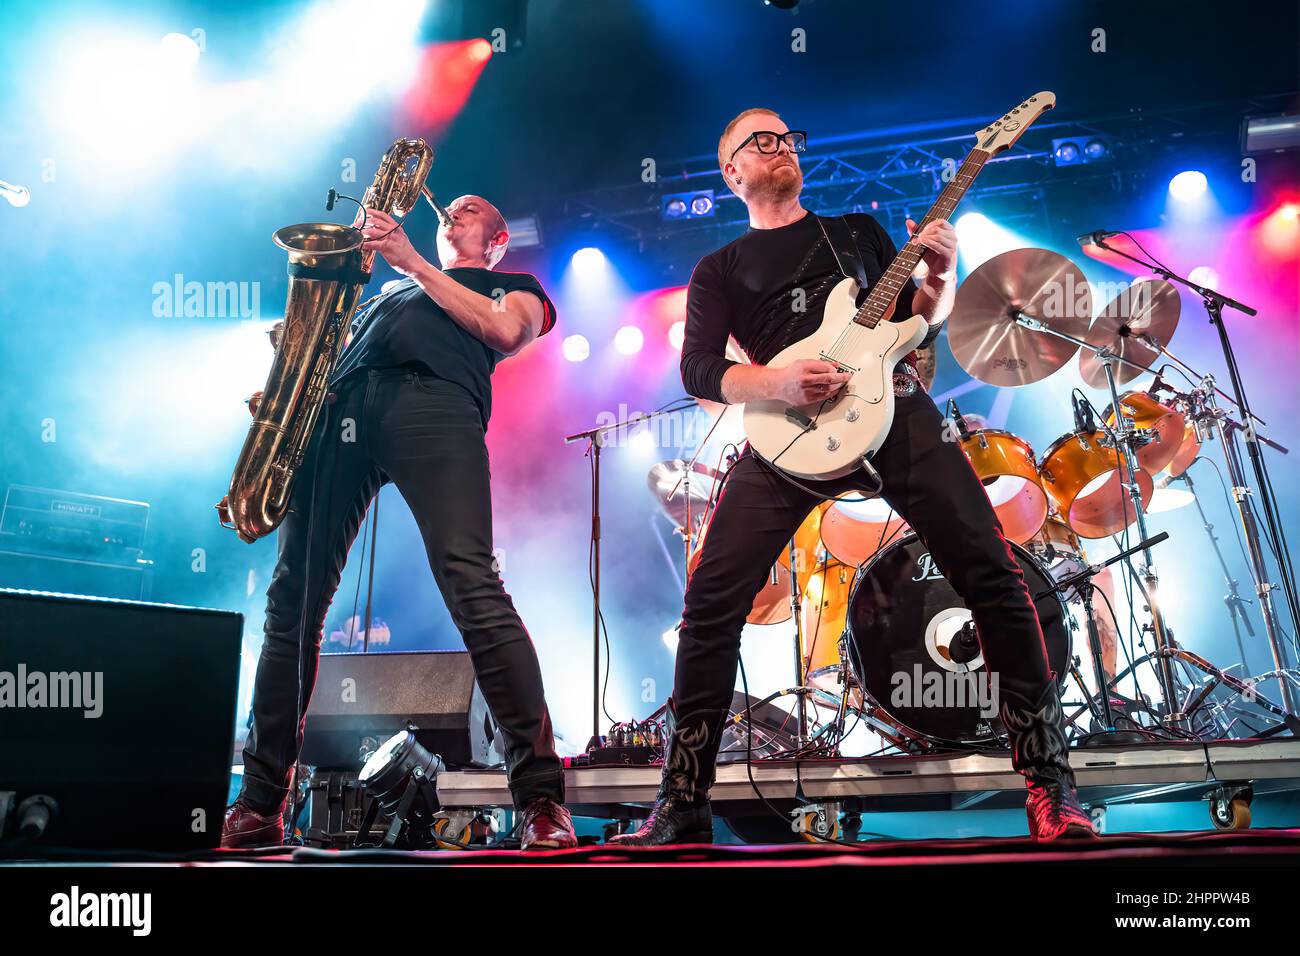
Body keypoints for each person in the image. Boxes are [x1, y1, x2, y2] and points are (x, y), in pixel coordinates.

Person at [610, 109, 1096, 845]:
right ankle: (683, 805)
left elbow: (918, 322)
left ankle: (1049, 788)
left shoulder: (859, 232)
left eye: (789, 138)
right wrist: (774, 381)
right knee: (709, 604)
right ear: (732, 171)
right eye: (760, 141)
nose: (782, 147)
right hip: (789, 435)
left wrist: (937, 271)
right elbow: (699, 367)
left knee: (996, 576)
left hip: (894, 409)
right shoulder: (723, 268)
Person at [221, 194, 576, 851]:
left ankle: (541, 802)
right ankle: (260, 803)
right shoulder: (383, 293)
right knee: (291, 600)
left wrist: (411, 260)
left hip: (434, 404)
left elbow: (506, 332)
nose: (455, 212)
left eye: (471, 211)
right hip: (342, 412)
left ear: (497, 242)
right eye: (455, 207)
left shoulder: (510, 285)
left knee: (473, 586)